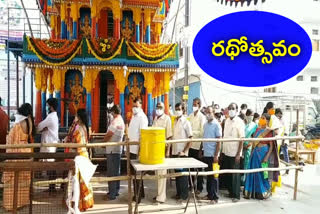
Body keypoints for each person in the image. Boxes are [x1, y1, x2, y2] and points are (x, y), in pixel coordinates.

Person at [2, 103, 35, 211]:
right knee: (22, 179)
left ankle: (11, 204)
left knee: (13, 179)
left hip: (16, 151)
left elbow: (12, 140)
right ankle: (22, 202)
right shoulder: (29, 122)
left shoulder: (19, 123)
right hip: (26, 150)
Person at [244, 113, 280, 199]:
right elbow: (253, 143)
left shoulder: (269, 131)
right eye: (261, 118)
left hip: (263, 153)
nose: (261, 119)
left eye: (263, 118)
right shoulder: (257, 129)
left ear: (267, 121)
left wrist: (267, 157)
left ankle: (262, 192)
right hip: (255, 153)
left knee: (262, 173)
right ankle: (251, 192)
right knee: (253, 171)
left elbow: (271, 147)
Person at [67, 109, 95, 212]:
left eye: (75, 116)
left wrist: (68, 139)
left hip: (78, 156)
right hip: (84, 154)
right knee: (84, 180)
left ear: (79, 117)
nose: (75, 117)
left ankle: (79, 204)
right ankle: (87, 202)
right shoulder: (85, 128)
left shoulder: (78, 130)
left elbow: (74, 141)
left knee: (78, 181)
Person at [221, 103, 245, 202]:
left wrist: (238, 154)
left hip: (235, 153)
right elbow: (224, 136)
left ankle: (236, 196)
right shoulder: (226, 121)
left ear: (237, 110)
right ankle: (231, 192)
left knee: (235, 175)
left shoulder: (240, 122)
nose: (231, 110)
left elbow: (242, 139)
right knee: (228, 174)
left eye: (233, 108)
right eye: (229, 108)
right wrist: (222, 152)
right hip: (226, 151)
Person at [127, 98, 148, 203]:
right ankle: (140, 193)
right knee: (134, 173)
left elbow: (143, 136)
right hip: (131, 148)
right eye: (133, 106)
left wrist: (140, 151)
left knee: (136, 173)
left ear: (141, 106)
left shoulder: (142, 118)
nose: (134, 108)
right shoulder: (134, 117)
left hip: (137, 150)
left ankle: (138, 196)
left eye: (136, 106)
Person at [152, 102, 173, 204]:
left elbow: (169, 136)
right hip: (155, 149)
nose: (158, 109)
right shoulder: (155, 118)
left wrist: (168, 151)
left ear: (164, 108)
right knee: (157, 174)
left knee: (162, 174)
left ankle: (161, 197)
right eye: (157, 107)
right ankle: (158, 194)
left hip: (163, 149)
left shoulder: (167, 119)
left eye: (160, 107)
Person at [172, 103, 193, 203]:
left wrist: (184, 151)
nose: (177, 111)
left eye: (179, 109)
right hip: (175, 151)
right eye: (176, 109)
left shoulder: (186, 122)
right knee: (177, 174)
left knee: (183, 175)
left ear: (183, 110)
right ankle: (178, 193)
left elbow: (190, 139)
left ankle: (184, 196)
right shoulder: (175, 121)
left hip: (182, 153)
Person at [37, 98, 59, 192]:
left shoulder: (50, 117)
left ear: (51, 106)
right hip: (50, 142)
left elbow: (39, 126)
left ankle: (52, 188)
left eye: (47, 105)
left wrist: (43, 128)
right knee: (50, 165)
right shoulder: (53, 116)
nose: (46, 107)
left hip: (49, 144)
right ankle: (51, 187)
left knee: (50, 166)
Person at [104, 105, 125, 201]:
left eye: (111, 112)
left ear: (113, 112)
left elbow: (109, 134)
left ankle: (112, 194)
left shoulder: (115, 122)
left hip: (112, 150)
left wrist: (103, 142)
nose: (111, 114)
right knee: (116, 171)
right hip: (117, 149)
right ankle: (115, 190)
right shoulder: (121, 120)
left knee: (112, 172)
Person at [202, 106, 222, 203]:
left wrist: (216, 155)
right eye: (206, 112)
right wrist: (201, 150)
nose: (208, 114)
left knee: (214, 176)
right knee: (208, 176)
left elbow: (219, 141)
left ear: (213, 112)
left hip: (213, 155)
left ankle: (215, 197)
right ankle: (209, 194)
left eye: (209, 112)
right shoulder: (205, 124)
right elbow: (204, 138)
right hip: (206, 153)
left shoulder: (216, 125)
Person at [188, 98, 206, 194]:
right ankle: (191, 186)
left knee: (198, 168)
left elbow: (202, 133)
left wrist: (201, 149)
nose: (194, 106)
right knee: (190, 168)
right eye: (193, 104)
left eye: (196, 104)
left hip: (198, 146)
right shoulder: (190, 116)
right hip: (190, 146)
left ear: (199, 105)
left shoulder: (202, 117)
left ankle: (199, 187)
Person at [242, 109, 258, 184]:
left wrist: (249, 144)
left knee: (247, 163)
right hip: (240, 146)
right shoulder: (242, 123)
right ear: (247, 115)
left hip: (248, 146)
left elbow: (254, 136)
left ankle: (245, 181)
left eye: (252, 115)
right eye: (250, 115)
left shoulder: (254, 125)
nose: (251, 117)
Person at [275, 108, 289, 174]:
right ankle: (278, 171)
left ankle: (287, 169)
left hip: (283, 140)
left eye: (277, 114)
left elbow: (286, 130)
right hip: (279, 140)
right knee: (277, 155)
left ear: (279, 113)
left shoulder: (284, 119)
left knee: (285, 155)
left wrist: (283, 140)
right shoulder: (278, 119)